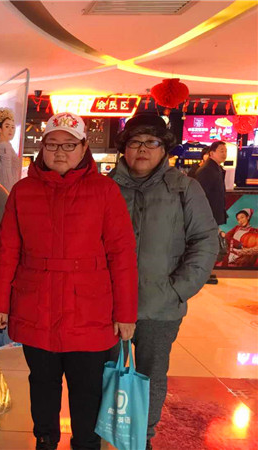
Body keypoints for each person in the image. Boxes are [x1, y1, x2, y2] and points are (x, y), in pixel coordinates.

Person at [0, 112, 138, 450]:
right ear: (41, 148)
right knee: (42, 384)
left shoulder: (105, 191)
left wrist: (126, 313)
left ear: (84, 147)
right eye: (52, 144)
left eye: (69, 145)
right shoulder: (23, 192)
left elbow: (122, 255)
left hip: (90, 310)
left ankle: (86, 443)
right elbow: (7, 252)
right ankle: (45, 440)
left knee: (87, 388)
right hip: (36, 305)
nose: (59, 152)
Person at [110, 113, 218, 450]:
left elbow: (205, 240)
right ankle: (104, 432)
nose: (142, 149)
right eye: (135, 142)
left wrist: (178, 290)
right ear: (124, 148)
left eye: (151, 142)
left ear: (164, 148)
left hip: (161, 305)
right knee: (104, 372)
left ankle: (142, 437)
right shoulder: (104, 187)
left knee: (151, 375)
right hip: (107, 304)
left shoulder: (185, 188)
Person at [196, 140, 228, 284]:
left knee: (210, 245)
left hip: (212, 215)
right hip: (208, 216)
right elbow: (202, 195)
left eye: (225, 151)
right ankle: (202, 274)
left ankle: (206, 272)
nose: (224, 153)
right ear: (212, 153)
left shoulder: (215, 168)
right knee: (206, 246)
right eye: (221, 150)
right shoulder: (207, 170)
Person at [0, 108, 21, 191]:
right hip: (7, 189)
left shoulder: (5, 145)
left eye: (13, 127)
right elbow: (6, 171)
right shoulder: (4, 146)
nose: (11, 130)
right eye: (7, 126)